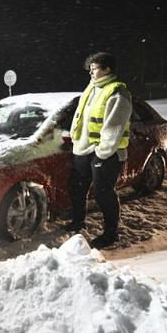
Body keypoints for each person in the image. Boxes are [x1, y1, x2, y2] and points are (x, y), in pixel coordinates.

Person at [63, 52, 132, 249]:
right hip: (84, 149)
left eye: (95, 69)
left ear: (107, 69)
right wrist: (76, 140)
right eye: (90, 69)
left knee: (103, 194)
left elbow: (114, 128)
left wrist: (101, 153)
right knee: (76, 188)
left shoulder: (118, 93)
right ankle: (78, 222)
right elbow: (80, 116)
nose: (91, 73)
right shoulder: (92, 88)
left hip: (106, 153)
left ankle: (110, 234)